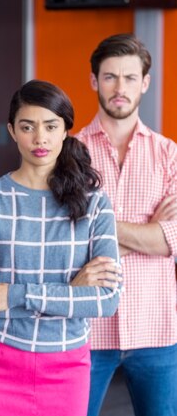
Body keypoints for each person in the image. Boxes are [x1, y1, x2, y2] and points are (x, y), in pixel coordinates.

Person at [0, 80, 122, 416]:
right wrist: (70, 293)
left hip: (67, 364)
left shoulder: (94, 204)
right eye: (27, 127)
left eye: (51, 126)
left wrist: (14, 295)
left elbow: (107, 300)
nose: (40, 138)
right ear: (12, 130)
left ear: (65, 129)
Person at [76, 33, 177, 416]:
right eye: (110, 77)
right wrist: (151, 231)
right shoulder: (71, 156)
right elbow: (67, 240)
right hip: (88, 328)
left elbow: (175, 240)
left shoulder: (169, 155)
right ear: (94, 81)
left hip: (157, 328)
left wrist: (99, 229)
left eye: (130, 78)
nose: (120, 88)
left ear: (145, 83)